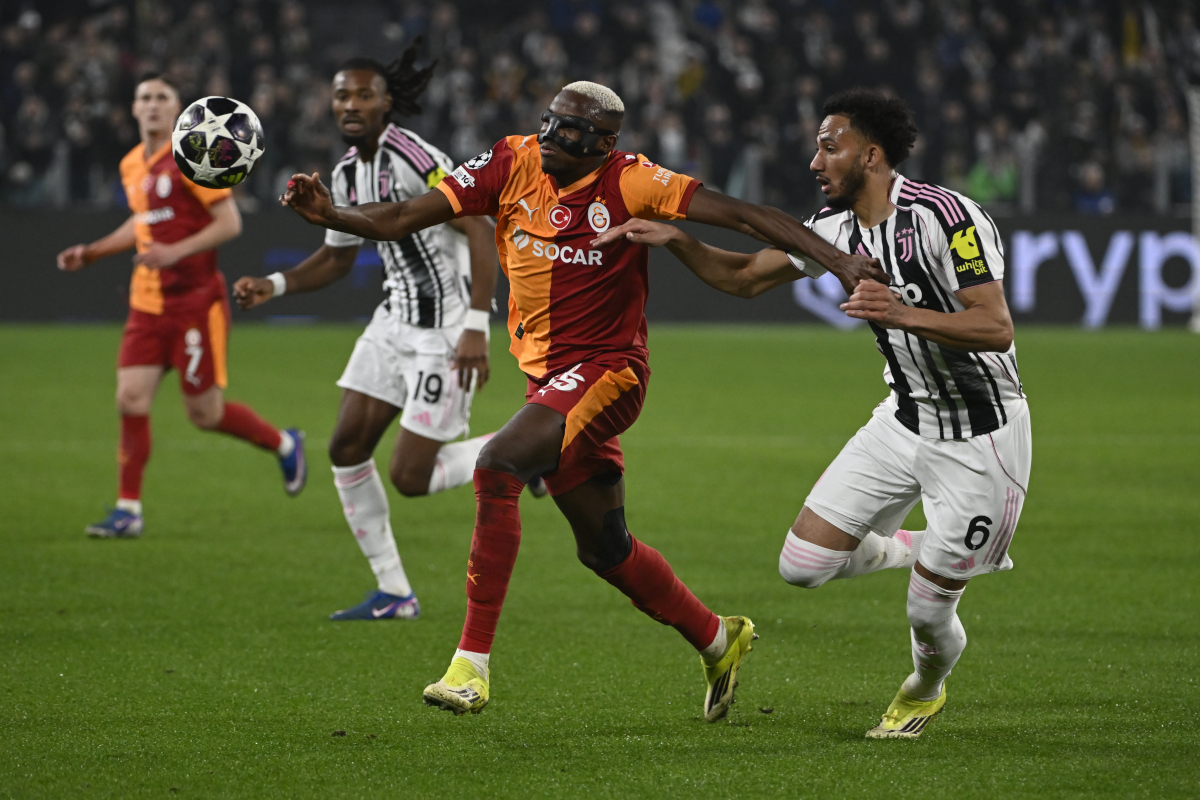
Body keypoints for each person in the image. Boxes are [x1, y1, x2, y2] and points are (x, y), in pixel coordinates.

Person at [281, 81, 881, 720]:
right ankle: (717, 637)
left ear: (604, 144)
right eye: (549, 121)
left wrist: (837, 260)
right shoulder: (509, 161)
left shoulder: (633, 181)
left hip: (610, 372)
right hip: (551, 384)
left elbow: (743, 214)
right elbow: (404, 216)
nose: (551, 137)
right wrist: (334, 217)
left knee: (497, 464)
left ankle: (470, 664)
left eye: (569, 131)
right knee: (604, 549)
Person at [595, 88, 1030, 739]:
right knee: (801, 566)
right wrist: (679, 242)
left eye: (830, 145)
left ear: (872, 154)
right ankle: (923, 546)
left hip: (982, 437)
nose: (814, 161)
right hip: (903, 420)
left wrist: (899, 311)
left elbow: (995, 327)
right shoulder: (833, 229)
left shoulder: (947, 216)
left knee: (926, 611)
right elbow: (744, 277)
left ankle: (923, 689)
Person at [234, 44, 530, 622]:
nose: (350, 103)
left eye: (363, 94)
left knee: (410, 478)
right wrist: (274, 285)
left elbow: (478, 227)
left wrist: (475, 326)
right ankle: (395, 593)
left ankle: (530, 455)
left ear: (386, 102)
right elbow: (336, 259)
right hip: (393, 321)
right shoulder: (344, 171)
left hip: (444, 327)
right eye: (342, 94)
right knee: (345, 448)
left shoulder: (414, 154)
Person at [56, 74, 305, 539]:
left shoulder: (196, 154)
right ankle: (128, 509)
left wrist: (176, 252)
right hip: (147, 303)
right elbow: (142, 221)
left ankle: (284, 442)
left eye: (161, 98)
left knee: (204, 415)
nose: (151, 105)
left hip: (195, 303)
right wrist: (92, 252)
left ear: (177, 110)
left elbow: (230, 223)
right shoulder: (133, 163)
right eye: (144, 97)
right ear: (133, 109)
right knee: (129, 399)